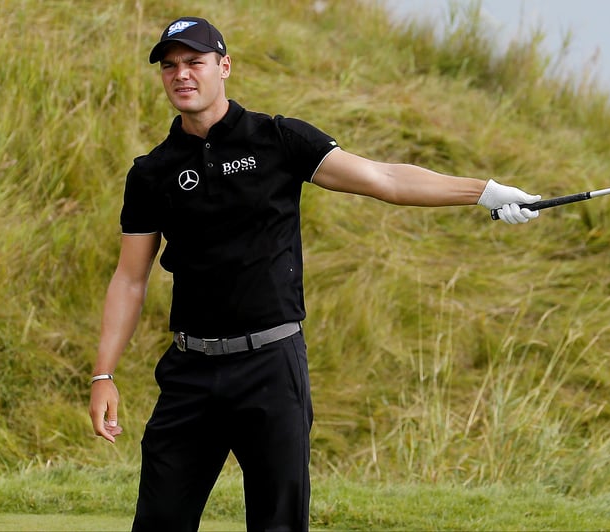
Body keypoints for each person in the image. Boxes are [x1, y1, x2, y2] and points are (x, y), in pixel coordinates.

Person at [87, 16, 542, 532]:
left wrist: (486, 192)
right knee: (160, 522)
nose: (181, 75)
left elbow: (384, 179)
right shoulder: (152, 171)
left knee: (278, 524)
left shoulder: (278, 139)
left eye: (195, 62)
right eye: (170, 67)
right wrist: (104, 372)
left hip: (271, 368)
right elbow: (129, 278)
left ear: (224, 66)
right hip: (190, 373)